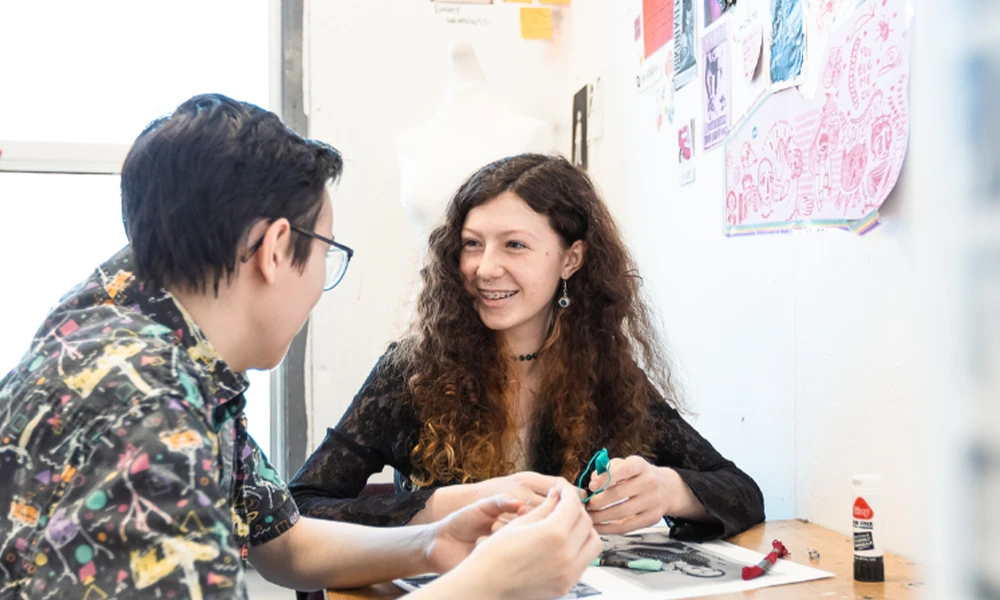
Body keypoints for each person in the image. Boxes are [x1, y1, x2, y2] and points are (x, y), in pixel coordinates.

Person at [0, 95, 601, 600]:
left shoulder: (156, 345)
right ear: (276, 248)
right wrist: (483, 586)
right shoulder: (145, 409)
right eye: (327, 254)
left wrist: (431, 541)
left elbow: (281, 538)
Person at [289, 154, 766, 541]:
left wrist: (670, 490)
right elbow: (300, 507)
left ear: (571, 259)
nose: (484, 268)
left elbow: (742, 492)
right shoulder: (413, 369)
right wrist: (443, 506)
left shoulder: (605, 372)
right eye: (472, 244)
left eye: (514, 245)